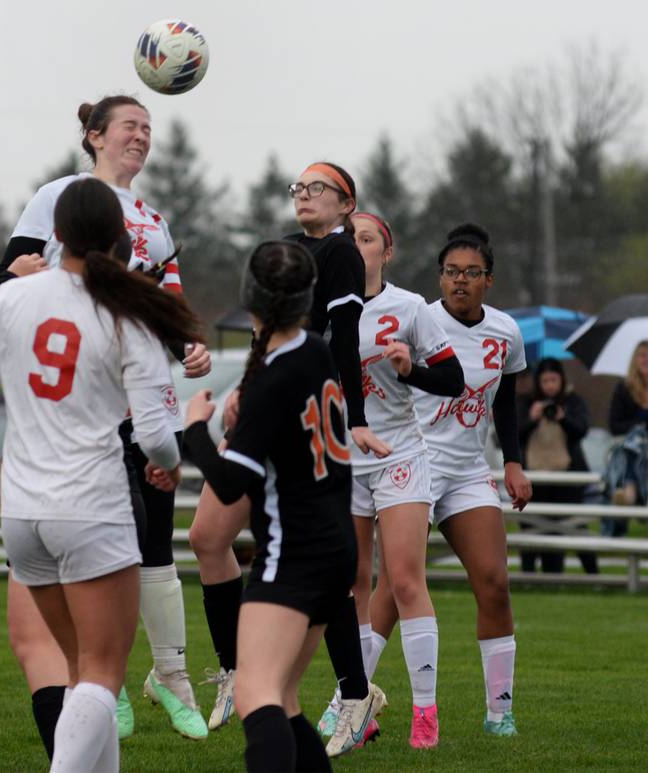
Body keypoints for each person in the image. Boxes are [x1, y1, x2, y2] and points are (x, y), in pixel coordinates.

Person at [0, 95, 211, 745]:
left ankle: (170, 675)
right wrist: (173, 451)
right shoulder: (61, 197)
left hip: (38, 476)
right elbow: (3, 281)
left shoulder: (152, 220)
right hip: (87, 459)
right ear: (93, 136)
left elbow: (166, 311)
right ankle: (145, 684)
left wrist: (187, 347)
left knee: (80, 644)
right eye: (130, 125)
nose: (143, 137)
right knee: (92, 666)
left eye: (150, 129)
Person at [190, 162, 391, 734]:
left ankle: (350, 693)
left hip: (302, 421)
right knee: (208, 537)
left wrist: (352, 418)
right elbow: (263, 339)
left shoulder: (342, 254)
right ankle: (238, 669)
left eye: (318, 188)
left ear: (347, 204)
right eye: (297, 188)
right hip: (263, 408)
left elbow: (344, 341)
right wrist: (243, 398)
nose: (304, 195)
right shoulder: (280, 249)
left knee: (310, 560)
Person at [180, 240, 365, 772]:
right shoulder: (313, 349)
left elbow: (230, 482)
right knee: (282, 700)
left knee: (254, 694)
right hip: (334, 549)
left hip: (296, 556)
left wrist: (195, 427)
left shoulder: (273, 375)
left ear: (250, 299)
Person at [366, 224, 532, 739]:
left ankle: (499, 713)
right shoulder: (418, 317)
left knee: (495, 582)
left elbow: (504, 398)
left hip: (465, 471)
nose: (460, 281)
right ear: (440, 277)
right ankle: (348, 703)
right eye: (452, 272)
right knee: (396, 587)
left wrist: (512, 462)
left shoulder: (506, 331)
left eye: (472, 273)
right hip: (412, 463)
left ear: (489, 280)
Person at [318, 213, 465, 752]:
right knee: (351, 584)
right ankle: (355, 706)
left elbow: (453, 379)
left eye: (366, 239)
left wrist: (411, 371)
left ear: (387, 251)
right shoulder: (325, 308)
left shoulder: (409, 310)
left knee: (404, 581)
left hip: (399, 451)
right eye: (347, 240)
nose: (356, 248)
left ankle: (425, 713)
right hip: (343, 456)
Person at [518, 358, 598, 573]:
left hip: (567, 478)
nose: (550, 386)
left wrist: (563, 417)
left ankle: (593, 575)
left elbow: (581, 430)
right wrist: (532, 418)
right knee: (531, 529)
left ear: (562, 380)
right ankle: (528, 577)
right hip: (534, 479)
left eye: (554, 380)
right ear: (538, 382)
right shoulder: (526, 403)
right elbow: (513, 434)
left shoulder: (573, 401)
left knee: (576, 528)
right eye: (545, 380)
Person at [602, 341, 648, 536]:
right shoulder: (624, 388)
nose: (646, 360)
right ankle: (632, 490)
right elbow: (614, 425)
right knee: (635, 442)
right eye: (642, 355)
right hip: (631, 449)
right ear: (634, 360)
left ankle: (627, 490)